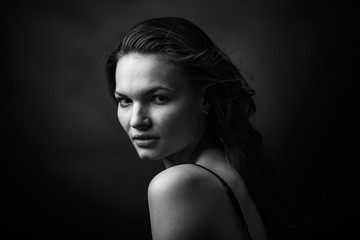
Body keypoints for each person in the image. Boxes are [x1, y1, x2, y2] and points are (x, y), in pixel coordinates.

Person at [105, 17, 284, 240]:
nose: (136, 120)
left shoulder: (177, 185)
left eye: (159, 98)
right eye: (125, 101)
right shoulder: (234, 168)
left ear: (205, 98)